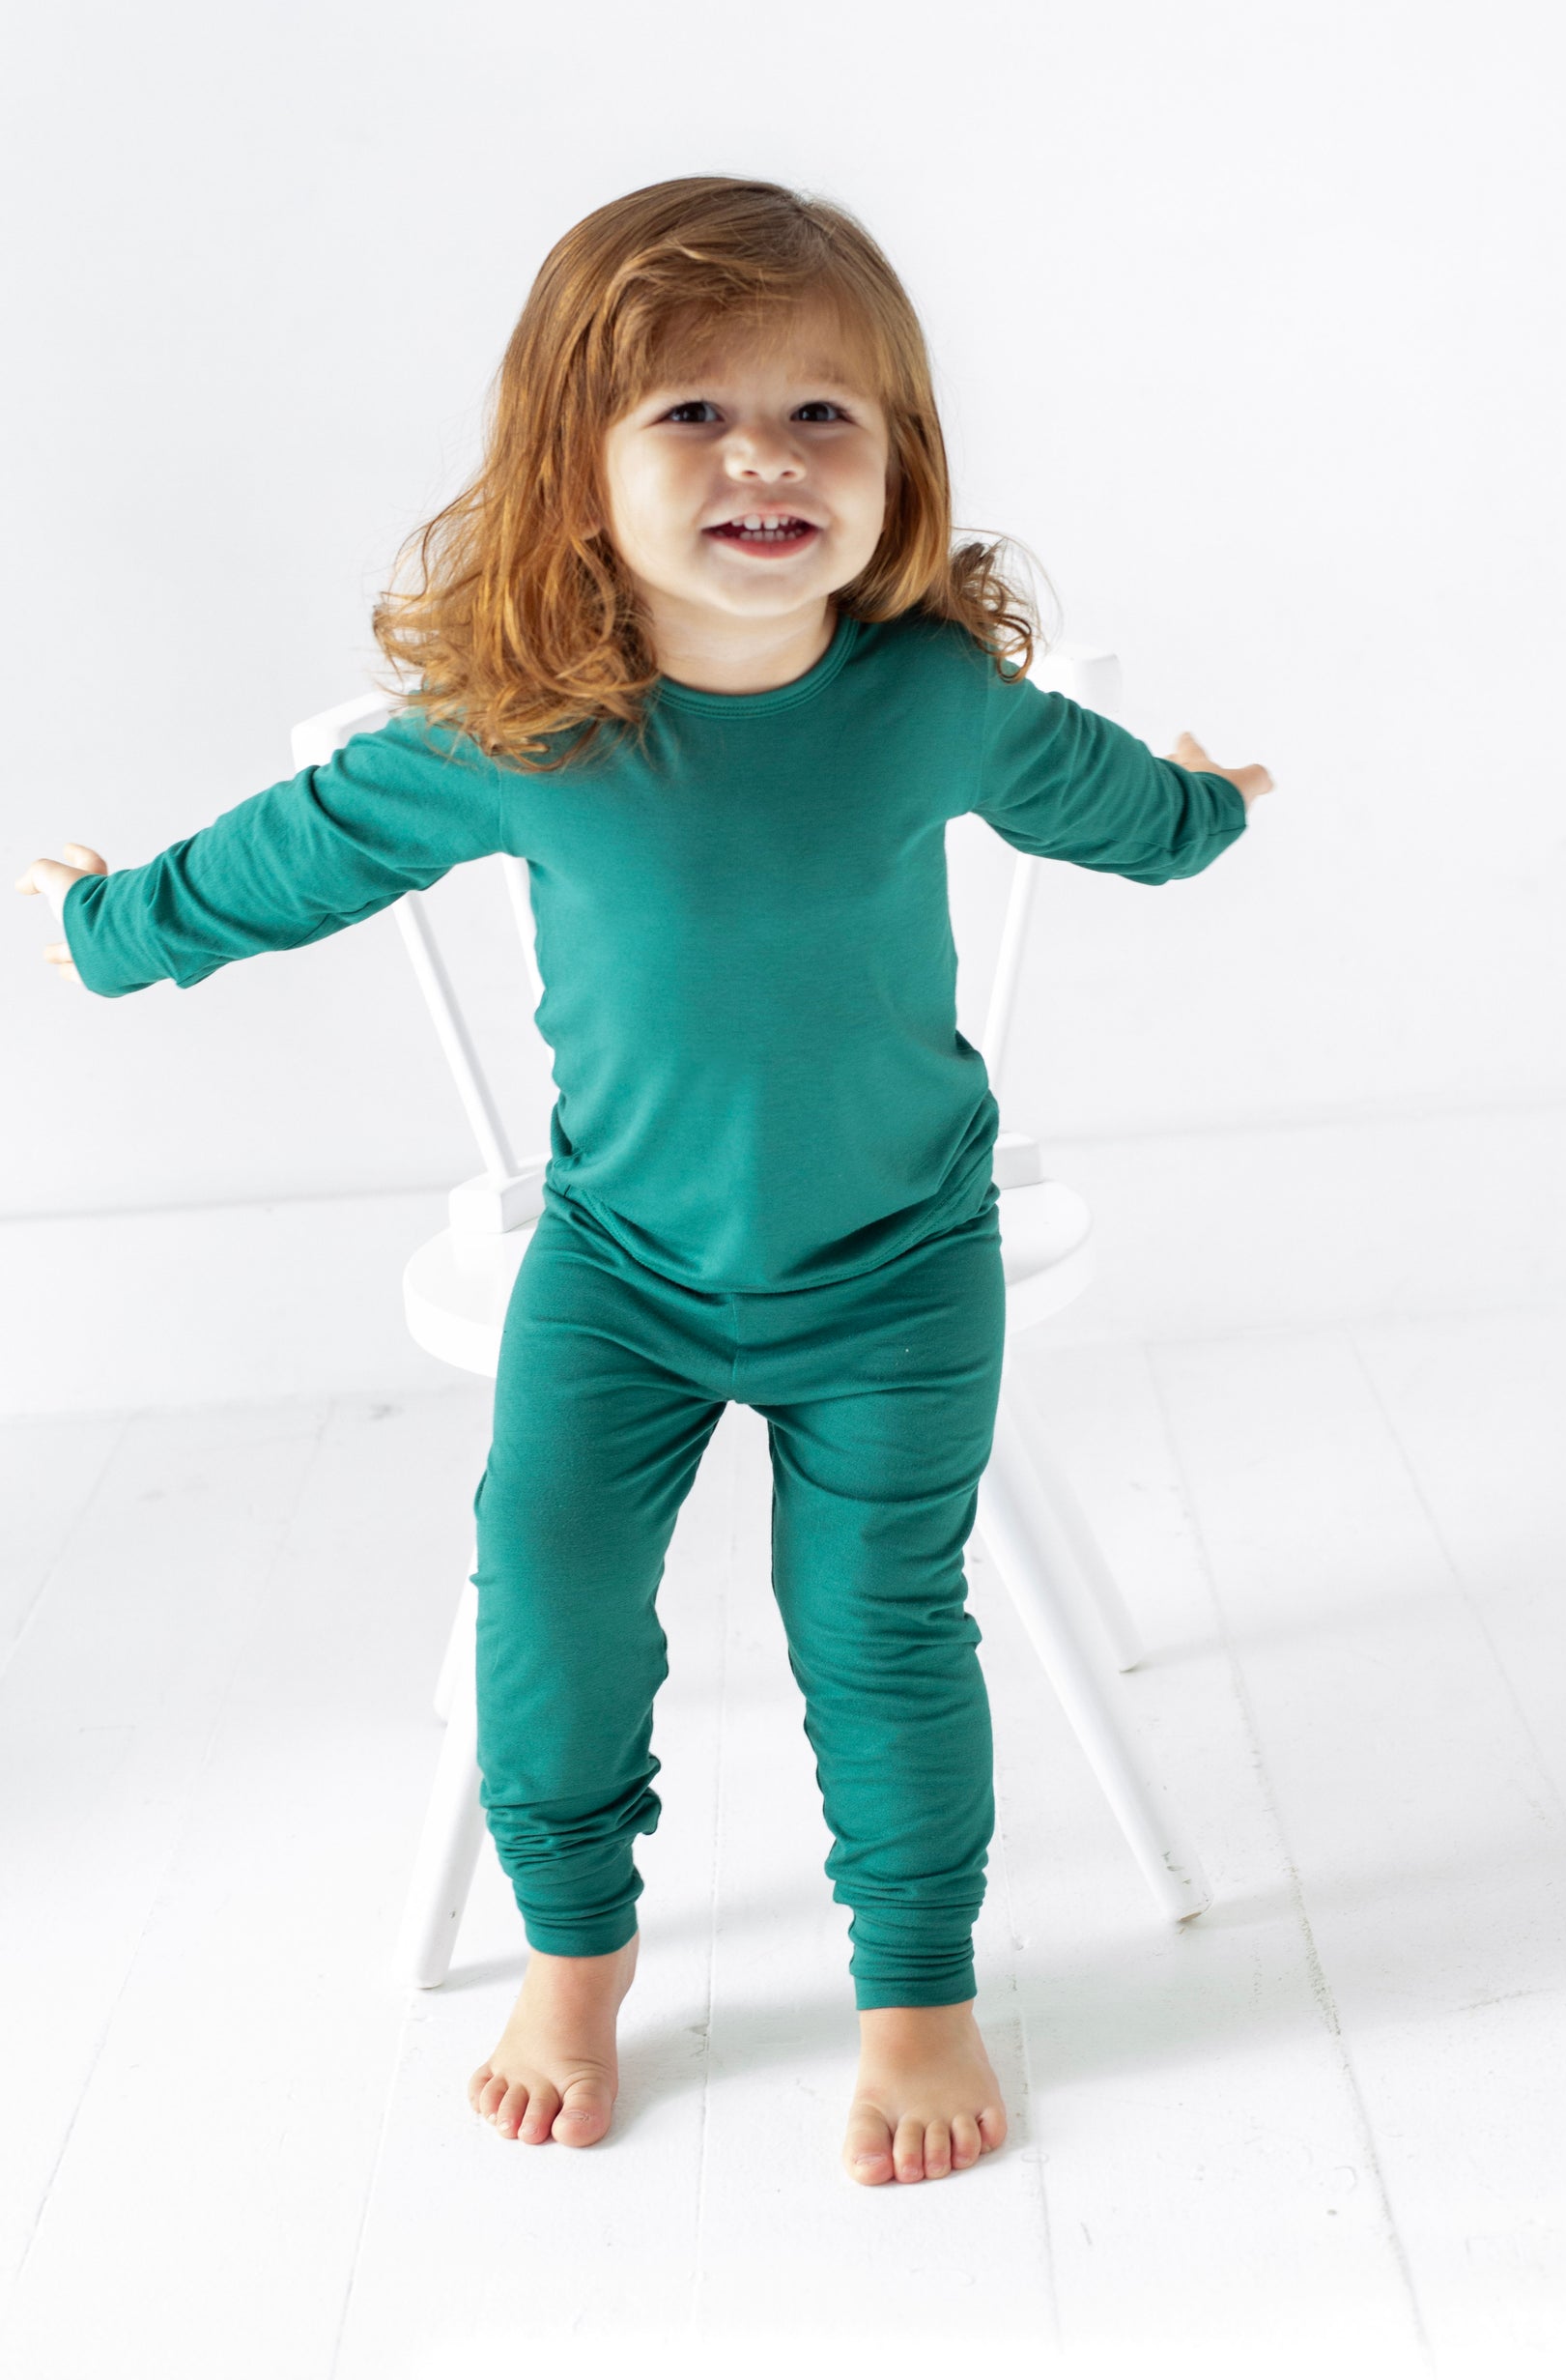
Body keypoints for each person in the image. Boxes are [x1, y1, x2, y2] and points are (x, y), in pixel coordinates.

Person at [16, 176, 1273, 2186]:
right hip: (620, 1263)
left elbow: (1119, 804)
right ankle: (576, 1950)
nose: (761, 452)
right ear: (576, 470)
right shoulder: (525, 728)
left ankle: (919, 1985)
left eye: (820, 414)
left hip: (896, 1260)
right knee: (553, 1588)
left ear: (894, 466)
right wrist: (116, 925)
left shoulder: (937, 702)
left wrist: (1209, 806)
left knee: (875, 1617)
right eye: (690, 412)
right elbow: (301, 848)